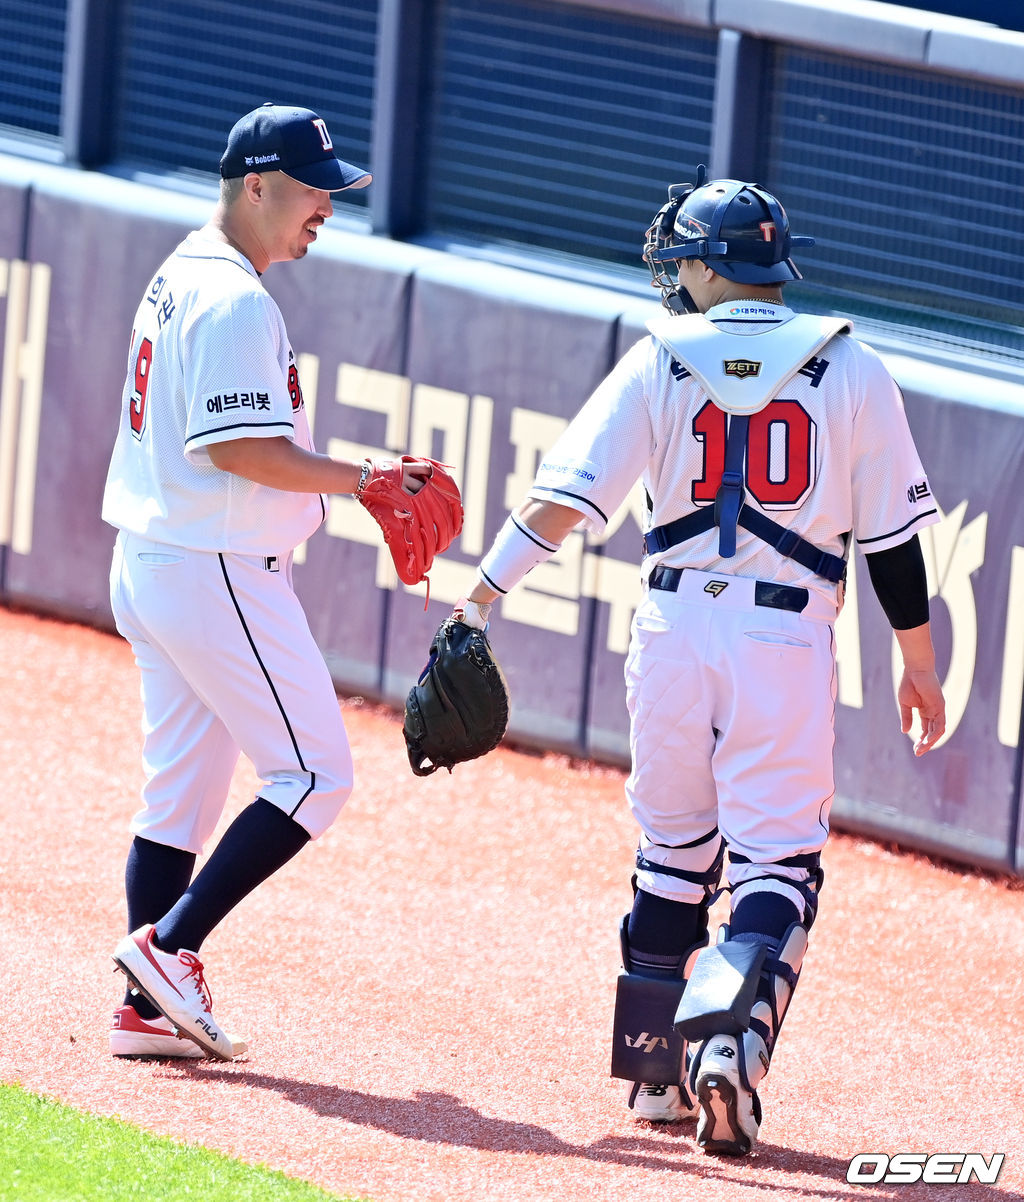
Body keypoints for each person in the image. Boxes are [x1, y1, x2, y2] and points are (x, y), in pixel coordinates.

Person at [450, 168, 945, 1154]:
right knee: (776, 864)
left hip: (672, 631)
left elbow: (562, 503)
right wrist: (915, 656)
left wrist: (480, 598)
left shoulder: (659, 359)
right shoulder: (849, 365)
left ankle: (653, 1075)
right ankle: (727, 1044)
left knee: (672, 854)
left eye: (683, 257)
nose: (672, 272)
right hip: (782, 635)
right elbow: (892, 542)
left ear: (712, 267)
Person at [103, 103, 434, 1060]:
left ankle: (143, 1008)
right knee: (315, 774)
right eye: (310, 189)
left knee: (179, 798)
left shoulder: (185, 270)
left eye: (333, 190)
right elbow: (240, 448)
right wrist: (362, 479)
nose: (325, 207)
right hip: (212, 567)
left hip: (158, 559)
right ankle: (170, 948)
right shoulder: (236, 298)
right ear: (256, 184)